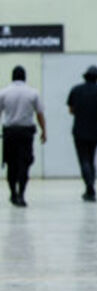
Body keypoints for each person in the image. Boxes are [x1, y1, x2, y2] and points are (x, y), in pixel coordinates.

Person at [1, 66, 46, 207]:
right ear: (25, 77)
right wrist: (44, 131)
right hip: (26, 133)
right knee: (24, 164)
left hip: (10, 132)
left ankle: (13, 194)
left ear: (12, 77)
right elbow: (39, 113)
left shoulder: (4, 92)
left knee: (11, 164)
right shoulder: (33, 93)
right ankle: (21, 194)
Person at [68, 65, 97, 202]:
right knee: (91, 158)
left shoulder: (76, 90)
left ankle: (89, 188)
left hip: (79, 130)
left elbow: (71, 110)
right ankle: (90, 188)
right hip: (95, 130)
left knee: (84, 160)